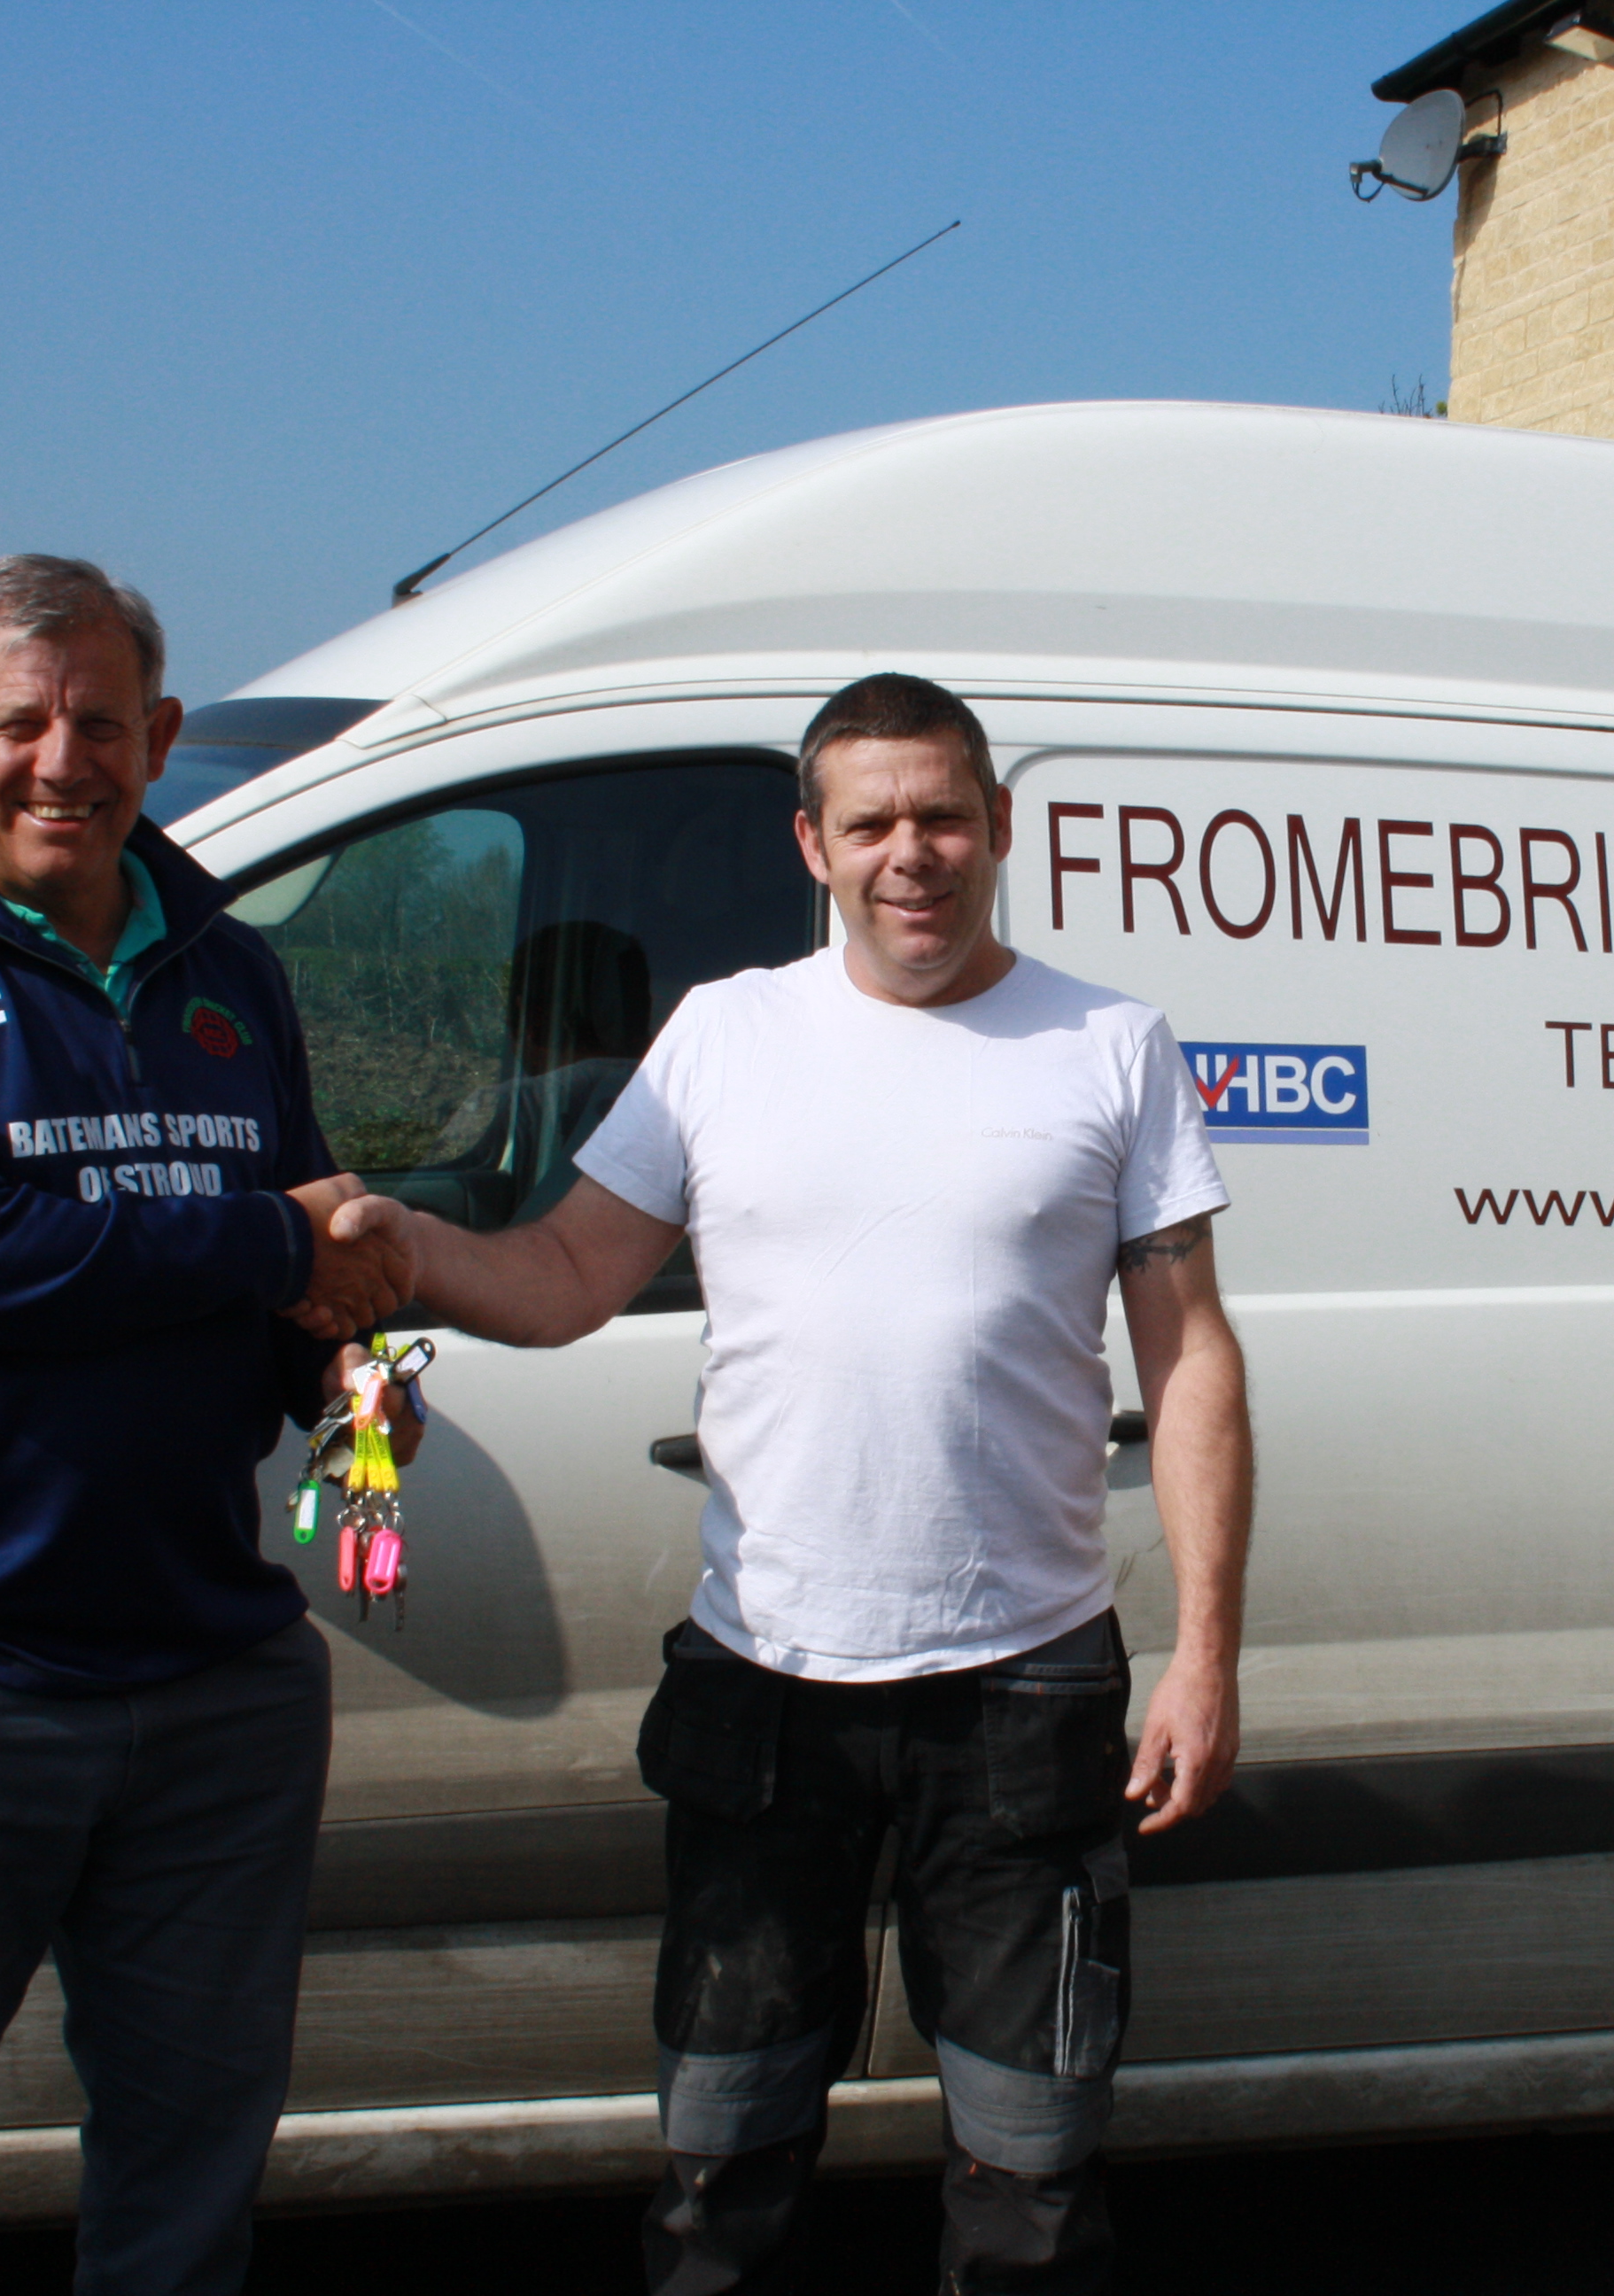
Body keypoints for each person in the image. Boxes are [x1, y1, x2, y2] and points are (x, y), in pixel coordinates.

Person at [317, 672, 1253, 2292]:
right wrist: (406, 1249)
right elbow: (568, 1274)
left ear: (1000, 825)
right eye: (872, 822)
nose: (913, 853)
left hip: (1025, 1687)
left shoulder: (1112, 1047)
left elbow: (1191, 1361)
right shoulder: (721, 1036)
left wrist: (1208, 1656)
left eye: (943, 815)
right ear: (813, 845)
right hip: (765, 1684)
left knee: (1031, 2186)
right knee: (721, 2177)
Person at [0, 554, 415, 2293]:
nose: (65, 762)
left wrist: (355, 1375)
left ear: (162, 736)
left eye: (103, 724)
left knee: (188, 2200)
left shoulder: (228, 970)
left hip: (208, 1685)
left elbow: (301, 1289)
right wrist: (269, 1246)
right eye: (23, 723)